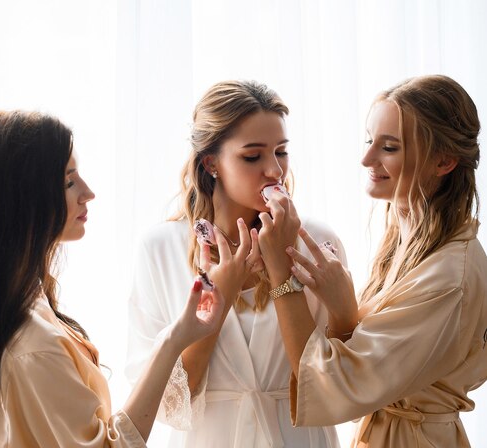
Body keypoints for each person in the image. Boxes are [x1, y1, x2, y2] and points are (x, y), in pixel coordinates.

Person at [0, 110, 227, 448]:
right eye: (68, 181)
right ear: (22, 199)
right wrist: (173, 340)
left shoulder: (23, 307)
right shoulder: (33, 345)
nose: (87, 193)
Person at [259, 74, 487, 447]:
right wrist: (343, 313)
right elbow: (373, 368)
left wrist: (280, 273)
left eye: (390, 147)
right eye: (369, 140)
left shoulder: (448, 278)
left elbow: (337, 385)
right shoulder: (409, 238)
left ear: (444, 161)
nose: (366, 158)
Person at [125, 80, 348, 447]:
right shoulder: (158, 249)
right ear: (211, 162)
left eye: (281, 152)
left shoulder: (317, 242)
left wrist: (280, 265)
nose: (274, 171)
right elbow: (169, 402)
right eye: (252, 156)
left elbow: (328, 383)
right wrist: (220, 297)